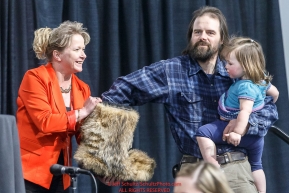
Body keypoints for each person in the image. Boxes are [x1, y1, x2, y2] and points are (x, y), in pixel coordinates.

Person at [101, 6, 278, 193]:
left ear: (222, 40)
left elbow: (269, 111)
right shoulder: (170, 71)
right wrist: (110, 154)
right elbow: (116, 95)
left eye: (210, 32)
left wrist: (244, 124)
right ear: (190, 36)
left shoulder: (238, 70)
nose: (203, 36)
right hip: (194, 172)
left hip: (236, 169)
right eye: (197, 32)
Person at [16, 21, 102, 193]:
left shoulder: (82, 88)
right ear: (57, 55)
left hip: (62, 174)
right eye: (77, 49)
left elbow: (81, 134)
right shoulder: (34, 78)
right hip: (31, 173)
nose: (83, 55)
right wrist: (83, 112)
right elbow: (45, 122)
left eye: (83, 49)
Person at [196, 37, 279, 193]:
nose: (225, 66)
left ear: (246, 66)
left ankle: (212, 163)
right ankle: (262, 191)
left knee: (203, 133)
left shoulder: (245, 88)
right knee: (256, 165)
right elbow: (275, 94)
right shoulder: (260, 79)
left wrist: (237, 132)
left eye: (230, 63)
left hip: (236, 131)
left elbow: (244, 112)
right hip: (256, 139)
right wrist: (262, 104)